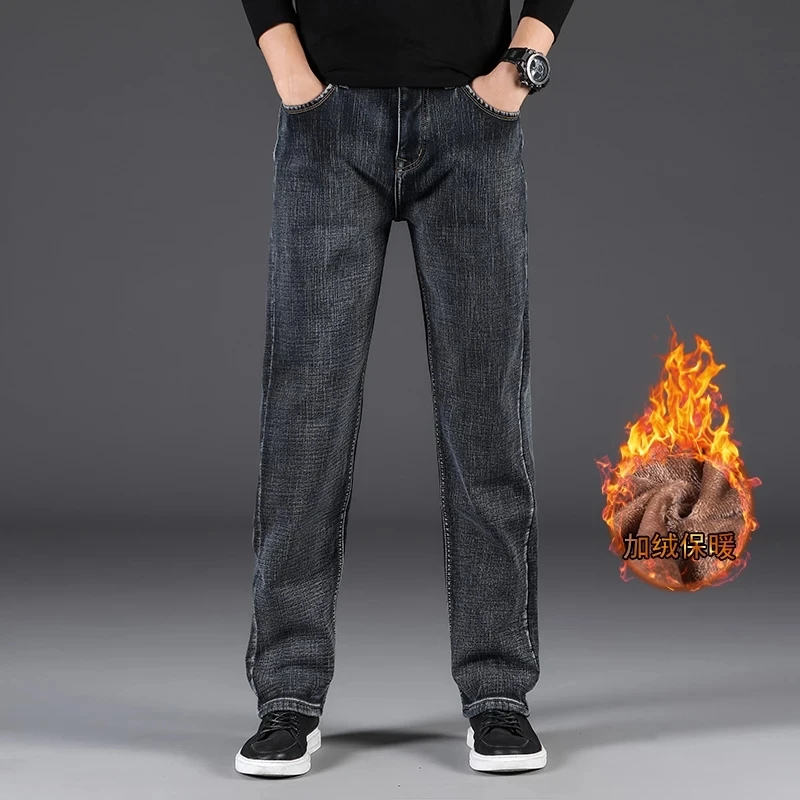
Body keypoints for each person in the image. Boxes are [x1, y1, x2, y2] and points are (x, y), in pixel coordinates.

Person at [234, 0, 575, 777]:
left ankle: (498, 691)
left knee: (487, 418)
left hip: (472, 119)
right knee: (304, 419)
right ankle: (287, 693)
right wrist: (290, 74)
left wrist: (518, 71)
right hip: (328, 119)